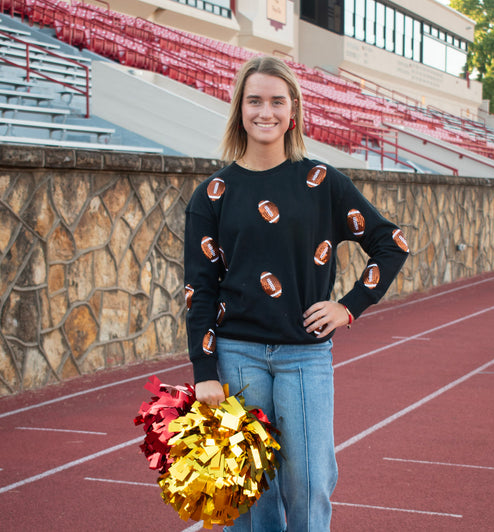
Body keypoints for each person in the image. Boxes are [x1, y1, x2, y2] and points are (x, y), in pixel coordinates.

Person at [183, 55, 409, 532]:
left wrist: (348, 308)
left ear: (294, 111)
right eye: (255, 101)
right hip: (237, 354)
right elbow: (199, 290)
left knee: (309, 483)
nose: (266, 112)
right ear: (239, 110)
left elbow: (391, 244)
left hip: (304, 355)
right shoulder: (212, 195)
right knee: (249, 490)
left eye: (277, 101)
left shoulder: (322, 183)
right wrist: (204, 371)